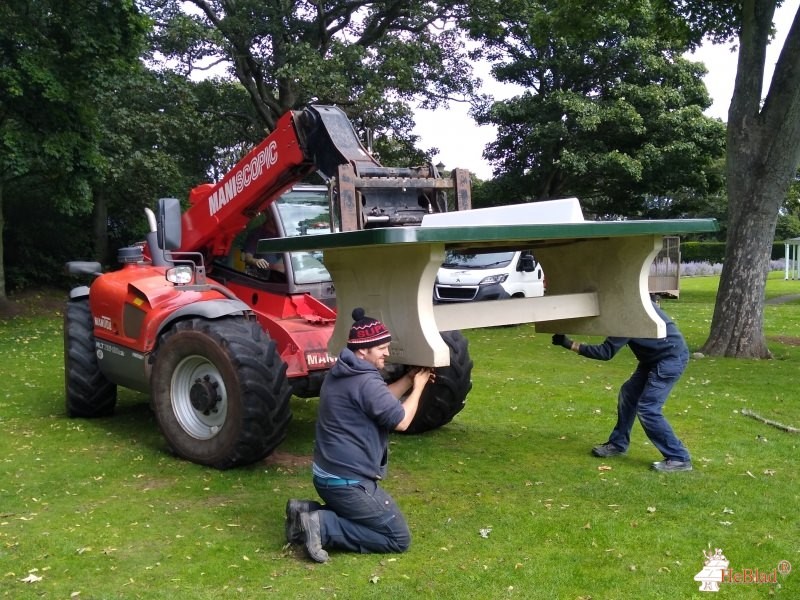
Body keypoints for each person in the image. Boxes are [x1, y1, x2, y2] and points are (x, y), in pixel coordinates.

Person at [285, 308, 434, 563]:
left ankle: (304, 511)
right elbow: (401, 420)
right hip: (348, 484)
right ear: (363, 350)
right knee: (397, 538)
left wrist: (409, 379)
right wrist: (418, 388)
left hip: (327, 476)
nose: (387, 353)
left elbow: (379, 398)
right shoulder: (365, 381)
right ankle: (322, 525)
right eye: (382, 348)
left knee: (371, 521)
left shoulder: (344, 370)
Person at [551, 297, 692, 473]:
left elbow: (605, 352)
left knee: (648, 408)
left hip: (669, 359)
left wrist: (569, 344)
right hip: (653, 358)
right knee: (629, 394)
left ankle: (679, 458)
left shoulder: (627, 316)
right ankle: (618, 444)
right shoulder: (632, 304)